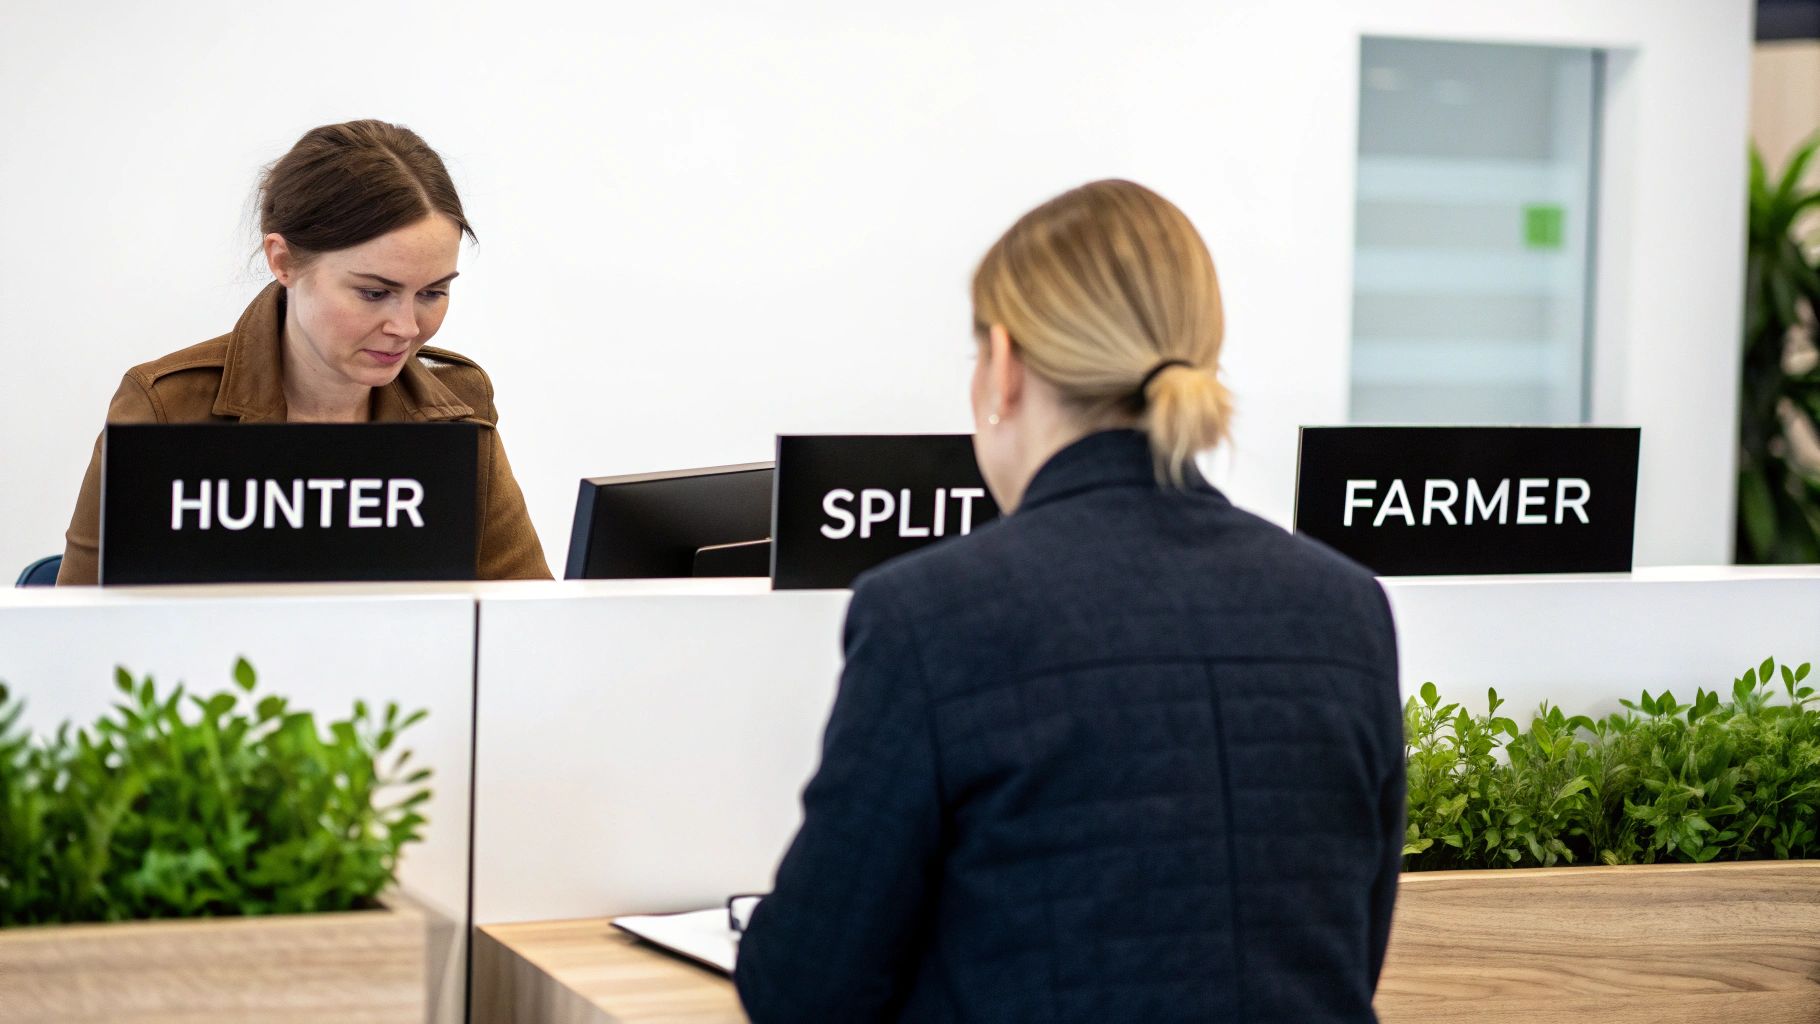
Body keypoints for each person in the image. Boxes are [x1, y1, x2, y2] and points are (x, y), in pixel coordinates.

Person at [734, 180, 1404, 1022]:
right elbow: (1347, 953)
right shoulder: (1345, 608)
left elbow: (805, 990)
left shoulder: (931, 615)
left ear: (1004, 366)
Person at [56, 119, 550, 583]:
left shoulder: (459, 403)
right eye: (374, 293)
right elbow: (81, 639)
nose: (405, 327)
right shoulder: (167, 406)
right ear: (284, 261)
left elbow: (526, 621)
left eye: (432, 293)